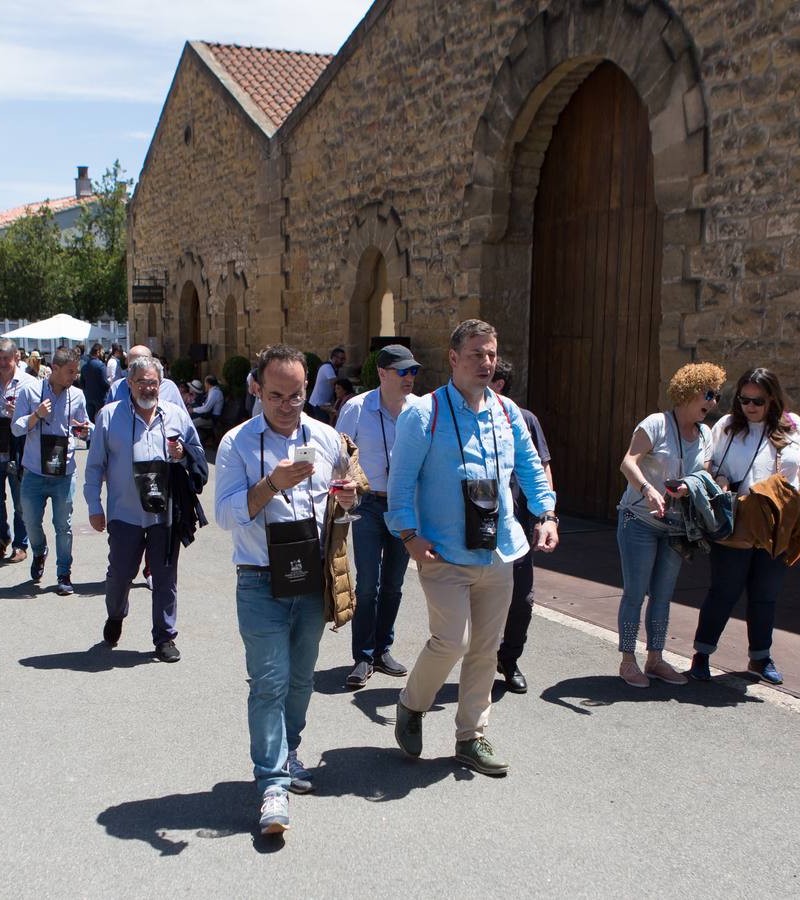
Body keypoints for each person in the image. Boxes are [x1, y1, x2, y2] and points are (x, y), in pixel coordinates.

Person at [385, 319, 558, 777]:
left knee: (485, 648)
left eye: (492, 354)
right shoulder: (424, 414)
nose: (487, 362)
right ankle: (412, 704)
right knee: (452, 641)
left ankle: (471, 737)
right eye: (478, 353)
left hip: (499, 550)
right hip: (441, 551)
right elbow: (400, 484)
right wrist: (408, 535)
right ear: (454, 358)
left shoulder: (508, 413)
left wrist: (546, 515)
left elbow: (531, 469)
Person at [215, 345, 357, 834]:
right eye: (276, 395)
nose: (288, 405)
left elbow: (343, 493)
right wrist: (271, 485)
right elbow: (226, 515)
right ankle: (272, 786)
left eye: (296, 395)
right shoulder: (236, 443)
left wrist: (347, 496)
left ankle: (289, 748)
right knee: (269, 681)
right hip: (259, 578)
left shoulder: (325, 437)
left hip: (311, 576)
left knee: (301, 680)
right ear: (257, 389)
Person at [689, 368, 800, 686]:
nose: (750, 406)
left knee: (765, 595)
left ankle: (760, 658)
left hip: (780, 524)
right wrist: (718, 479)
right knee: (724, 591)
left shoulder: (793, 426)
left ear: (773, 399)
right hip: (737, 520)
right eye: (744, 399)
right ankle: (702, 656)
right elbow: (705, 464)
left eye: (757, 400)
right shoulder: (727, 427)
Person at [611, 362, 726, 688]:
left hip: (677, 526)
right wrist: (648, 489)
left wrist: (691, 487)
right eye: (709, 394)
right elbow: (627, 463)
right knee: (635, 593)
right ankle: (628, 660)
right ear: (689, 392)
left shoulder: (705, 434)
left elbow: (701, 475)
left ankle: (656, 658)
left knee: (663, 595)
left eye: (716, 396)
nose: (714, 402)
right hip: (639, 520)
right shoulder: (656, 424)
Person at [84, 356, 205, 661]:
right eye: (142, 382)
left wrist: (181, 454)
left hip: (164, 513)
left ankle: (164, 637)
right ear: (129, 384)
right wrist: (94, 506)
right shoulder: (109, 416)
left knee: (165, 578)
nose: (148, 388)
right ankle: (116, 614)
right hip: (124, 513)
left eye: (153, 382)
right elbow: (95, 464)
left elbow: (198, 454)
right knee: (120, 575)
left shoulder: (176, 415)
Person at [334, 344, 423, 688]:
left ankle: (383, 649)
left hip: (404, 506)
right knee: (368, 583)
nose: (409, 378)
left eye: (413, 371)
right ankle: (363, 656)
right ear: (383, 374)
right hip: (368, 504)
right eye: (403, 372)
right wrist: (344, 490)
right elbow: (339, 456)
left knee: (394, 584)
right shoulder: (357, 408)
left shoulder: (419, 409)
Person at [488, 358, 555, 694]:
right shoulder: (465, 416)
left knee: (522, 599)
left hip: (520, 524)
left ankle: (509, 660)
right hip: (479, 525)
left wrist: (547, 517)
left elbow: (542, 468)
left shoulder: (523, 419)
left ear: (499, 385)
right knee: (479, 598)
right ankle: (481, 663)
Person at [15, 347, 90, 594]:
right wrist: (36, 415)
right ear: (55, 369)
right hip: (34, 471)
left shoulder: (77, 395)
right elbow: (16, 428)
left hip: (64, 471)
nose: (74, 376)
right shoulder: (30, 390)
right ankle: (39, 551)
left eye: (76, 372)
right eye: (70, 372)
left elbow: (83, 424)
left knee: (63, 525)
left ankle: (63, 573)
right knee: (30, 522)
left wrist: (85, 430)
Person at [0, 340, 35, 565]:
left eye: (6, 359)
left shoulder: (29, 383)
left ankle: (20, 544)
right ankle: (3, 536)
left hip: (19, 447)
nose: (2, 363)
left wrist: (20, 415)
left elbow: (39, 415)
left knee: (21, 501)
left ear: (16, 358)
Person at [107, 345, 189, 410]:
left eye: (143, 363)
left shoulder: (169, 387)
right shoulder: (116, 387)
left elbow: (183, 422)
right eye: (133, 365)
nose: (139, 369)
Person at [306, 346, 345, 422]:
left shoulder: (332, 368)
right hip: (318, 404)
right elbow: (334, 383)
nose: (343, 361)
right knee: (321, 426)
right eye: (342, 359)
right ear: (334, 358)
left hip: (322, 403)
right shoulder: (327, 367)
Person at [81, 342, 110, 412]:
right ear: (98, 352)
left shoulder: (84, 367)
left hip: (88, 398)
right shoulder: (101, 366)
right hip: (100, 398)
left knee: (90, 421)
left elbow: (82, 383)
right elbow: (105, 383)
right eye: (102, 352)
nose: (103, 354)